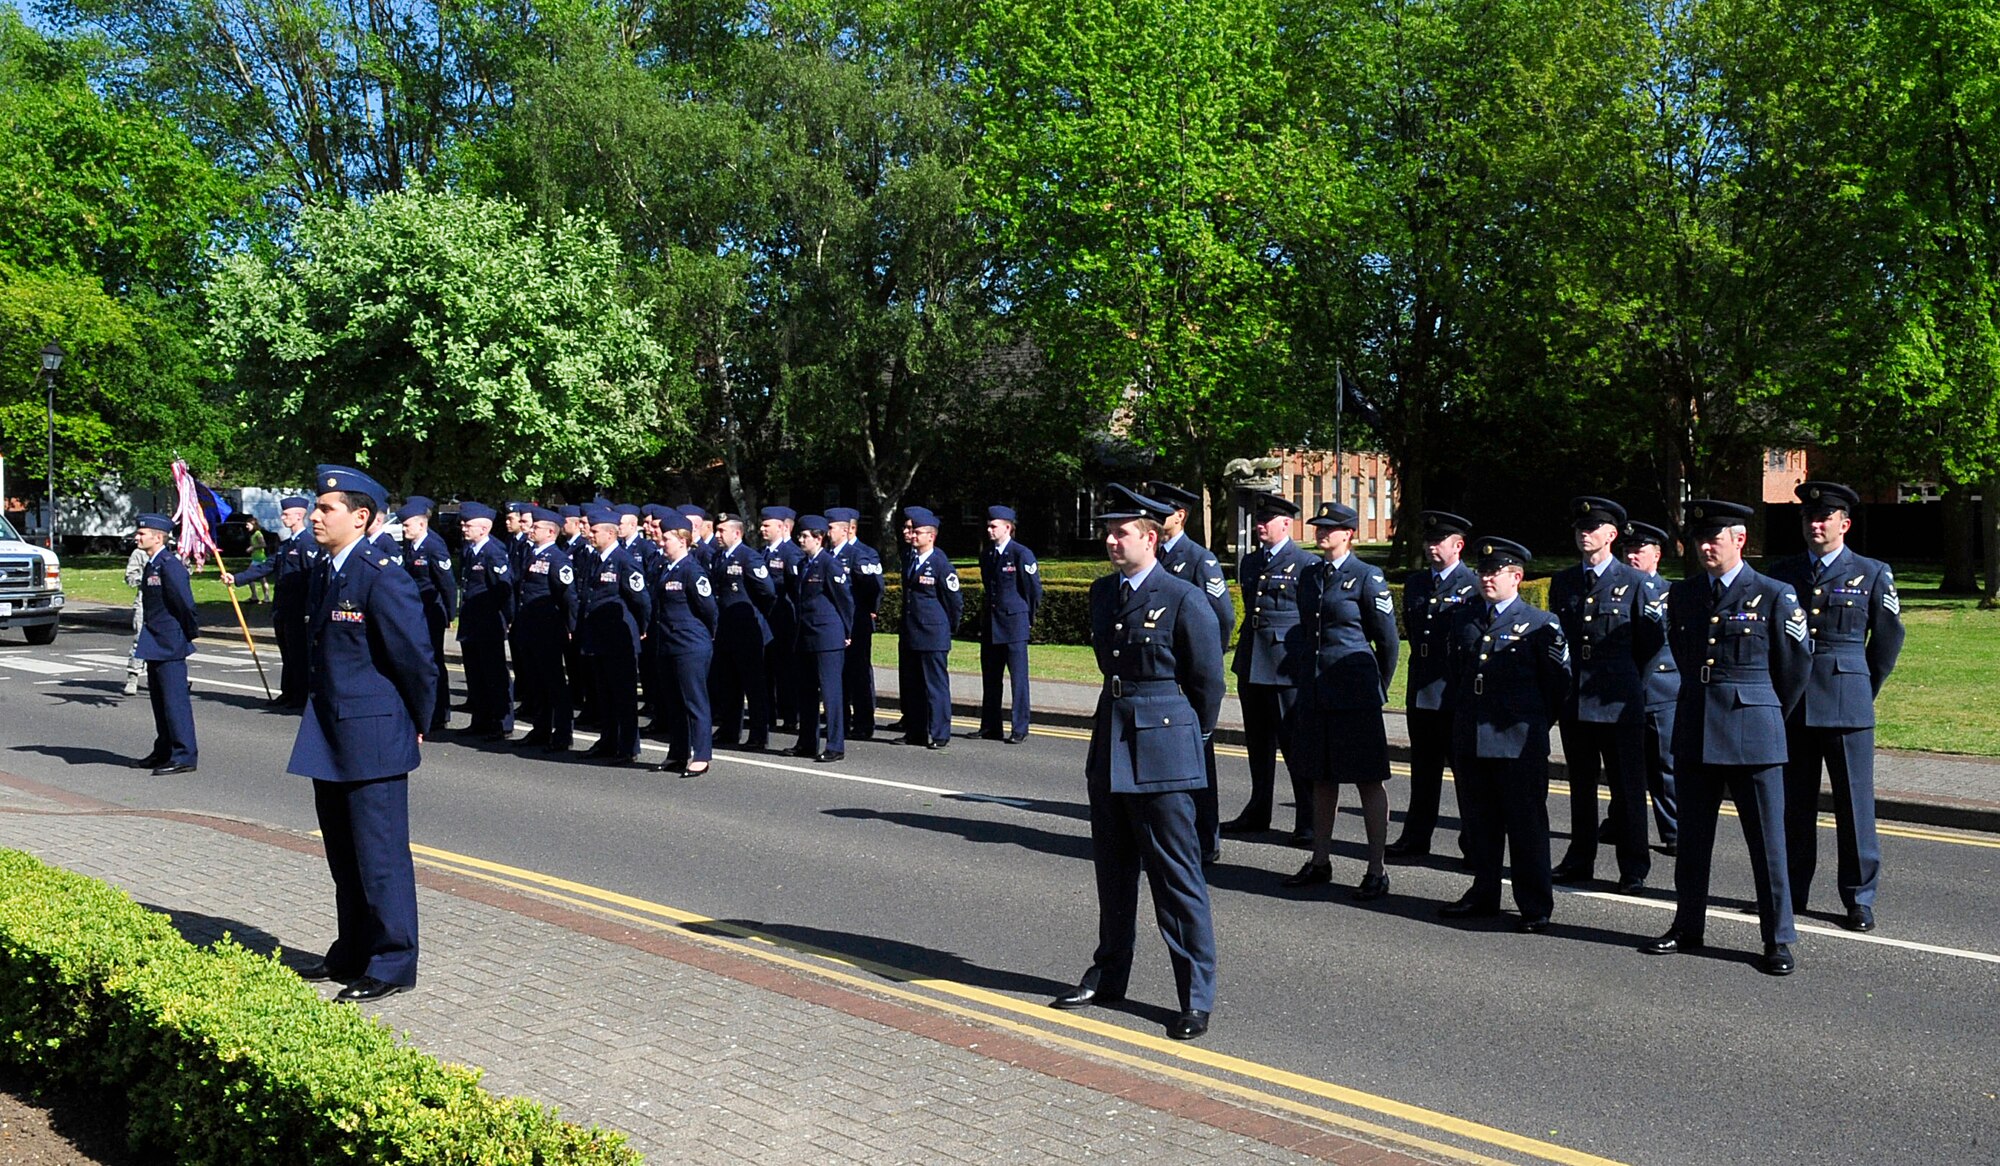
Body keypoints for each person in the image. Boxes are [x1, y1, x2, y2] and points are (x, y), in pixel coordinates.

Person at [1049, 483, 1223, 1042]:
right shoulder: (1104, 594)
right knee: (1113, 871)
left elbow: (1207, 684)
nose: (1110, 540)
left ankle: (1193, 997)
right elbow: (1109, 664)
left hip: (1164, 746)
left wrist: (1187, 738)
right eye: (1108, 532)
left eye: (1121, 532)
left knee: (1176, 877)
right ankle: (1109, 974)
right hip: (1113, 741)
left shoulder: (1182, 597)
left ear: (1150, 537)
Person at [285, 465, 434, 1003]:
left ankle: (392, 962)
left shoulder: (382, 575)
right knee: (343, 856)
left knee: (380, 857)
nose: (316, 516)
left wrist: (418, 722)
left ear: (361, 516)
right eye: (317, 507)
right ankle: (351, 950)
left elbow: (416, 661)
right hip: (330, 734)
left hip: (373, 736)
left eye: (327, 509)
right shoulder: (329, 570)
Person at [1643, 500, 1811, 976]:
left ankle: (1777, 938)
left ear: (1740, 540)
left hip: (1753, 733)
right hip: (1696, 727)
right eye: (1699, 540)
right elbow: (1682, 651)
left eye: (1714, 538)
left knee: (1767, 843)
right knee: (1692, 841)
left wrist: (1764, 713)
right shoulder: (1685, 594)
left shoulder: (1775, 594)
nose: (1705, 546)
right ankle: (1686, 924)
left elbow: (1794, 669)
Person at [1767, 481, 1904, 932]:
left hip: (1847, 703)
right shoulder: (1783, 574)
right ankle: (1792, 893)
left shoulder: (1871, 572)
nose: (1816, 523)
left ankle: (1859, 898)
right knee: (1794, 806)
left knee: (1855, 807)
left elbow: (1885, 644)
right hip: (1795, 704)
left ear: (1844, 524)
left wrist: (1862, 688)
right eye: (1809, 517)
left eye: (1825, 517)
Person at [1439, 538, 1570, 932]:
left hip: (1517, 739)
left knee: (1526, 825)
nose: (1486, 578)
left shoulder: (1540, 624)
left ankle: (1534, 904)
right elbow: (1456, 673)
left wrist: (1532, 724)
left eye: (1495, 572)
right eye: (1483, 571)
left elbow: (1557, 685)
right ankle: (1484, 891)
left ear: (1517, 576)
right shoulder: (1464, 618)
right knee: (1480, 823)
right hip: (1472, 735)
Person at [1283, 503, 1400, 898]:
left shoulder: (1368, 576)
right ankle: (1320, 861)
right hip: (1317, 690)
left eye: (1330, 528)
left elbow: (1387, 641)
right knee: (1321, 777)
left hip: (1355, 692)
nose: (1321, 533)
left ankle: (1375, 869)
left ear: (1349, 534)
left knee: (1368, 780)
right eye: (1318, 527)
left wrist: (1376, 688)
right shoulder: (1310, 575)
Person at [1549, 496, 1663, 894]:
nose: (1585, 533)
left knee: (1628, 788)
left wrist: (1628, 683)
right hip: (1575, 700)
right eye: (1581, 527)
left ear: (1611, 535)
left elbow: (1649, 643)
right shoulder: (1563, 582)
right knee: (1580, 788)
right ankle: (1580, 858)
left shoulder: (1634, 582)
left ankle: (1633, 865)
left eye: (1594, 527)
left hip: (1619, 700)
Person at [1146, 480, 1235, 863]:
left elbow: (1223, 617)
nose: (1154, 516)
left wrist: (1206, 662)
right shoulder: (1153, 554)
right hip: (1162, 673)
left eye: (1161, 510)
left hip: (1189, 677)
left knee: (1199, 758)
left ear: (1180, 516)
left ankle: (1205, 838)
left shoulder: (1200, 559)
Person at [1223, 492, 1317, 844]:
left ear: (1286, 524)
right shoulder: (1250, 562)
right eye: (1258, 521)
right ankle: (1258, 808)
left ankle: (1308, 816)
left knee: (1294, 744)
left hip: (1285, 666)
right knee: (1257, 744)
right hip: (1252, 662)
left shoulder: (1306, 564)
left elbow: (1309, 620)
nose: (1261, 526)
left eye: (1268, 521)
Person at [1387, 511, 1480, 863]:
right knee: (1423, 772)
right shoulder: (1416, 584)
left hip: (1455, 693)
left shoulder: (1472, 585)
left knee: (1466, 774)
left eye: (1438, 541)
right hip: (1422, 690)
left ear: (1458, 545)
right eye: (1427, 541)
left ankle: (1473, 840)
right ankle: (1415, 836)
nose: (1430, 547)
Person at [221, 496, 320, 708]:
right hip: (283, 609)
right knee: (287, 653)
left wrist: (311, 610)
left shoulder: (308, 545)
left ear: (299, 515)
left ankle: (300, 697)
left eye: (286, 514)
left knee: (298, 655)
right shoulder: (286, 545)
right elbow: (266, 566)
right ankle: (288, 693)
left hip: (298, 610)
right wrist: (236, 578)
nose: (282, 517)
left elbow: (312, 579)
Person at [1618, 521, 1680, 856]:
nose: (1631, 556)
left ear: (1656, 555)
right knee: (1624, 765)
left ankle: (1673, 830)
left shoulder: (1672, 593)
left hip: (1661, 688)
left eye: (1639, 550)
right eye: (1627, 550)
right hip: (1623, 691)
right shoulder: (1618, 591)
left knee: (1663, 764)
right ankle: (1620, 822)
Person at [576, 507, 651, 763]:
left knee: (623, 695)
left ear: (610, 533)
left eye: (595, 531)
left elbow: (640, 600)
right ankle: (608, 740)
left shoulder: (624, 561)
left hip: (619, 639)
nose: (590, 535)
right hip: (598, 637)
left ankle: (628, 746)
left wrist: (641, 628)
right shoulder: (594, 558)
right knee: (604, 694)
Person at [129, 514, 199, 775]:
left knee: (174, 702)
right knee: (159, 701)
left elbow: (184, 604)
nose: (137, 537)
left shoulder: (170, 565)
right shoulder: (153, 564)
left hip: (169, 642)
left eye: (142, 533)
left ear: (158, 537)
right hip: (155, 641)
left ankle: (184, 755)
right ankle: (164, 750)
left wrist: (188, 634)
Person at [651, 511, 718, 775]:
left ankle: (701, 755)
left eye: (666, 538)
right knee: (674, 702)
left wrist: (703, 636)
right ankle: (677, 753)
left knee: (695, 701)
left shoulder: (692, 570)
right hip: (668, 643)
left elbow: (709, 609)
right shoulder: (664, 568)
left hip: (690, 644)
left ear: (682, 540)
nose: (661, 542)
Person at [790, 515, 855, 762]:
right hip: (806, 635)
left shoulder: (830, 564)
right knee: (806, 692)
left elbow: (845, 601)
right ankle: (806, 742)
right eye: (800, 535)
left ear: (819, 539)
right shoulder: (804, 563)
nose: (801, 540)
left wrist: (847, 632)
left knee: (830, 692)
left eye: (805, 536)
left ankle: (835, 745)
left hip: (827, 635)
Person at [513, 507, 577, 751]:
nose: (531, 529)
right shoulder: (532, 553)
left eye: (536, 527)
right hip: (530, 628)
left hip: (548, 630)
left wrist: (570, 626)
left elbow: (568, 596)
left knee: (554, 683)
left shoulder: (558, 559)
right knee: (535, 682)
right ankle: (540, 729)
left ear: (551, 532)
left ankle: (562, 733)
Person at [978, 505, 1042, 742]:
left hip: (1014, 624)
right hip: (992, 625)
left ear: (1008, 527)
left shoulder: (1021, 553)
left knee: (1018, 680)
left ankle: (1019, 728)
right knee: (991, 678)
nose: (989, 529)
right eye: (988, 525)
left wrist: (1027, 618)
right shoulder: (987, 555)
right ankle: (990, 726)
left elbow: (1033, 590)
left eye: (994, 526)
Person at [710, 515, 775, 750]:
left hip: (748, 631)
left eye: (722, 530)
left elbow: (767, 591)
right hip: (726, 630)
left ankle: (758, 735)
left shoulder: (749, 557)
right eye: (716, 530)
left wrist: (753, 614)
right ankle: (729, 730)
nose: (717, 535)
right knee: (729, 684)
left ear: (736, 533)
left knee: (754, 685)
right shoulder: (719, 556)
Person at [899, 507, 962, 749]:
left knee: (935, 686)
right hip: (911, 632)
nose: (913, 535)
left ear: (931, 536)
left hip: (933, 633)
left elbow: (954, 602)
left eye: (918, 532)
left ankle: (939, 733)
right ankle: (915, 731)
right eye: (912, 531)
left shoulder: (941, 564)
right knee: (913, 686)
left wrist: (946, 628)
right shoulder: (909, 559)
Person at [394, 497, 457, 734]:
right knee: (418, 662)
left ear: (421, 525)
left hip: (432, 611)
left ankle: (439, 713)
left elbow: (446, 583)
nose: (403, 529)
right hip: (415, 612)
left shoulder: (434, 545)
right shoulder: (411, 546)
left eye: (407, 525)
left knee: (433, 664)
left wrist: (450, 612)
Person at [455, 502, 516, 738]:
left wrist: (507, 619)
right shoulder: (471, 550)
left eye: (468, 525)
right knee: (476, 674)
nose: (463, 528)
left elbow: (503, 590)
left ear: (484, 528)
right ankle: (480, 720)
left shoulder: (494, 551)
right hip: (472, 622)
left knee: (494, 674)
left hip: (488, 622)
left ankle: (502, 722)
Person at [828, 507, 884, 740]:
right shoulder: (828, 554)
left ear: (849, 528)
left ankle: (863, 722)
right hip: (835, 623)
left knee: (858, 673)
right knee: (838, 674)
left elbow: (873, 586)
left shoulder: (863, 553)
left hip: (857, 621)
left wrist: (870, 610)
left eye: (831, 527)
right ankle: (842, 720)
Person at [759, 506, 805, 732]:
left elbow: (797, 591)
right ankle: (768, 714)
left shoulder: (791, 553)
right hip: (767, 620)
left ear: (783, 527)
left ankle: (789, 715)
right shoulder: (763, 552)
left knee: (786, 669)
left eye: (767, 525)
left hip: (784, 620)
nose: (762, 529)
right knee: (767, 668)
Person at [122, 541, 147, 696]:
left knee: (167, 641)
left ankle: (161, 678)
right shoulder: (139, 553)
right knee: (141, 639)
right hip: (145, 601)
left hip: (167, 604)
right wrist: (149, 577)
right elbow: (130, 577)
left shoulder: (175, 553)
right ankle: (133, 677)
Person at [243, 515, 271, 602]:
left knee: (250, 576)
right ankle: (261, 597)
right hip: (256, 559)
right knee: (261, 579)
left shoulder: (258, 534)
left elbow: (263, 544)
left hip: (259, 559)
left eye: (248, 525)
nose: (246, 527)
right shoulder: (254, 534)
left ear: (253, 525)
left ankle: (260, 597)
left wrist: (253, 547)